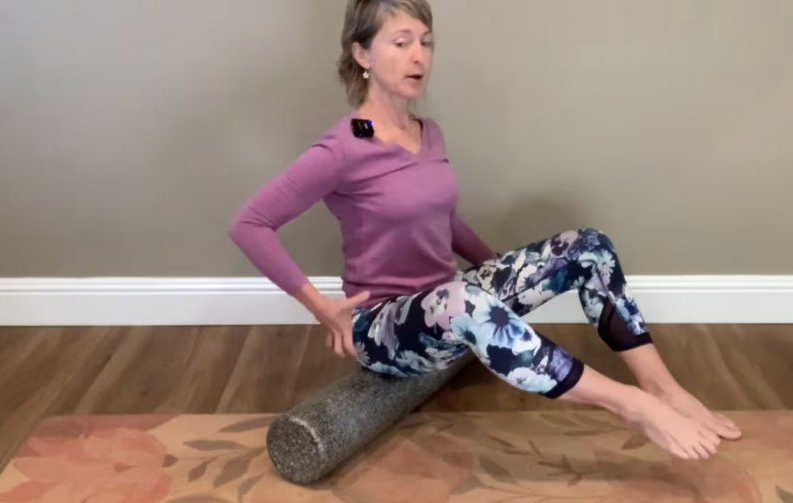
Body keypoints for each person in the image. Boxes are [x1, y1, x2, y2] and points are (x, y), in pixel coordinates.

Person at [228, 0, 741, 460]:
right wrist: (321, 308)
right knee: (465, 303)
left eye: (425, 43)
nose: (419, 57)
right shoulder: (343, 146)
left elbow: (443, 221)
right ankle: (631, 406)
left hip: (449, 300)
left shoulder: (427, 133)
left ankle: (661, 387)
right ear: (362, 54)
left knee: (587, 247)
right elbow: (250, 224)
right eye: (401, 43)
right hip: (384, 326)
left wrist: (506, 279)